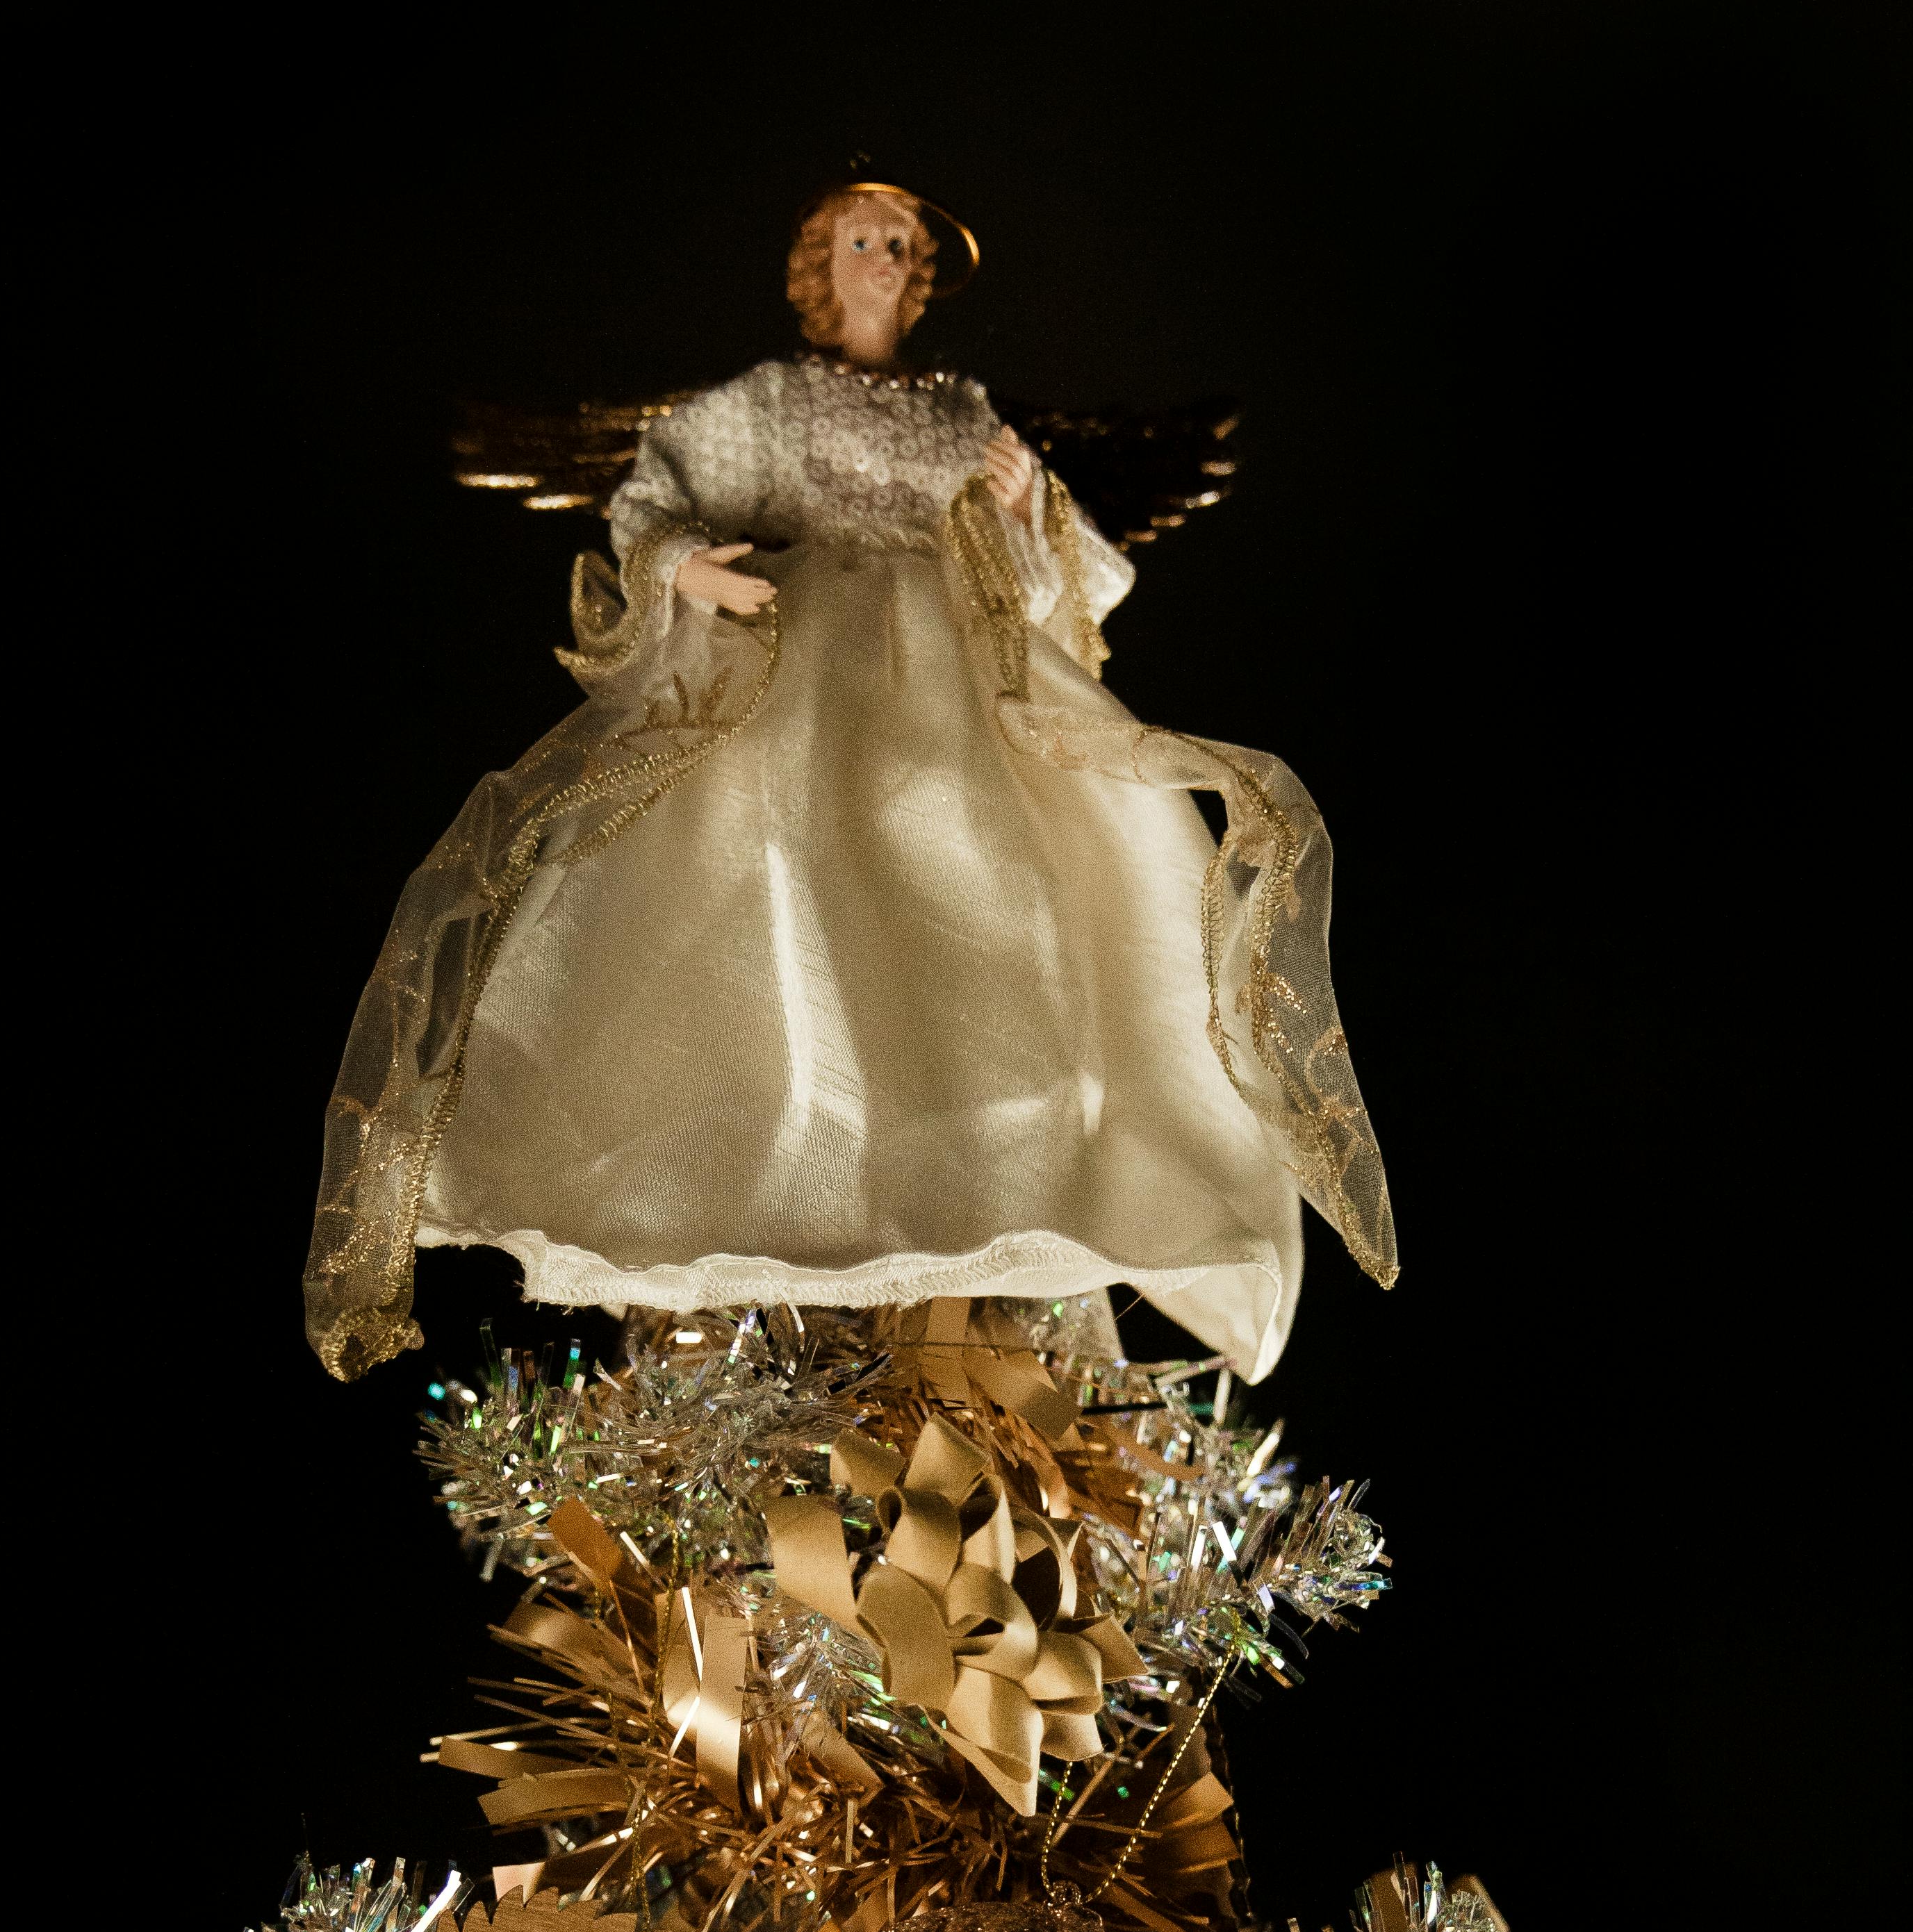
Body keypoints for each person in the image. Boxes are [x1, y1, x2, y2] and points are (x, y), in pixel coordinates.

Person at [304, 185, 1394, 1384]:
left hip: (963, 685)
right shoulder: (770, 404)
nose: (883, 260)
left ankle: (985, 1202)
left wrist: (1031, 499)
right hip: (804, 661)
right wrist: (686, 571)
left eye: (901, 247)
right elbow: (652, 500)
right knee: (782, 902)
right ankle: (781, 1206)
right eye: (861, 242)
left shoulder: (961, 410)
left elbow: (1059, 588)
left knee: (1000, 911)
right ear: (819, 267)